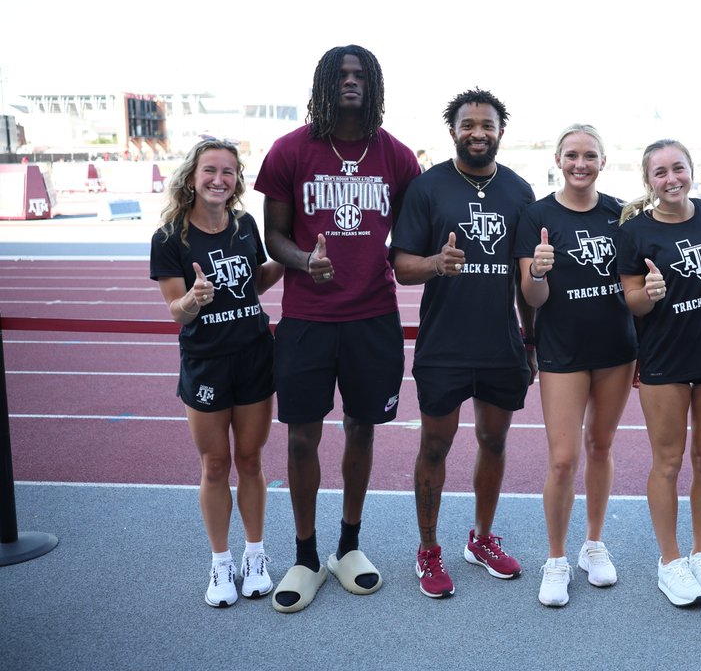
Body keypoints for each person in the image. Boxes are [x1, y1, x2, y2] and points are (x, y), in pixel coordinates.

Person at [254, 45, 420, 613]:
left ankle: (348, 547)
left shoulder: (396, 156)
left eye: (360, 75)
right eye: (341, 74)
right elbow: (274, 237)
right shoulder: (290, 150)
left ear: (374, 86)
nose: (351, 82)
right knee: (301, 436)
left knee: (361, 428)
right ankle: (305, 556)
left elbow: (412, 235)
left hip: (373, 316)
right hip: (307, 318)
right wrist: (305, 262)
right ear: (324, 83)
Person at [392, 87, 537, 599]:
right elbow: (401, 265)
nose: (478, 133)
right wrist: (437, 263)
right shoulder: (427, 187)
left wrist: (531, 342)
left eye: (487, 125)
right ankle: (428, 549)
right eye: (468, 124)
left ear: (501, 131)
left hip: (500, 344)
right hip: (444, 345)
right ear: (453, 131)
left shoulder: (519, 192)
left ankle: (481, 538)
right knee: (435, 445)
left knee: (494, 441)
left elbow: (525, 278)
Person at [150, 136, 283, 607]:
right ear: (192, 175)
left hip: (254, 356)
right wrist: (192, 299)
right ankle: (220, 562)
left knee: (250, 460)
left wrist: (290, 260)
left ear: (237, 179)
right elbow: (176, 312)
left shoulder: (245, 224)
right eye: (210, 170)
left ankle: (256, 555)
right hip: (206, 362)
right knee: (215, 465)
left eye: (228, 171)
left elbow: (255, 281)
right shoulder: (169, 236)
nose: (218, 179)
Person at [515, 124, 637, 607]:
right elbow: (532, 297)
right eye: (571, 155)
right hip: (562, 351)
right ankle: (556, 558)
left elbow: (634, 285)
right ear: (558, 160)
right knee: (563, 458)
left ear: (603, 161)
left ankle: (593, 544)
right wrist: (538, 270)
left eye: (589, 155)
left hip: (616, 349)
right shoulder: (537, 216)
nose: (580, 164)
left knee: (601, 446)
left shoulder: (622, 214)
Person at [616, 139, 701, 607]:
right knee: (667, 462)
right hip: (665, 358)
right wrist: (648, 293)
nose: (672, 179)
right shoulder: (635, 232)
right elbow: (631, 302)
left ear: (692, 170)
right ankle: (670, 561)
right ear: (648, 180)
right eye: (661, 172)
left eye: (678, 168)